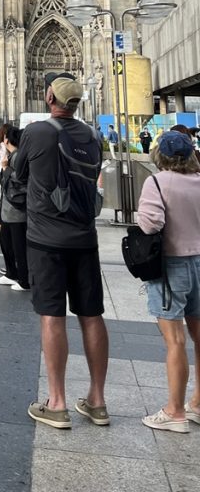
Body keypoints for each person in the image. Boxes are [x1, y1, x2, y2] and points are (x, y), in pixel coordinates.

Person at [10, 72, 108, 430]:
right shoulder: (94, 136)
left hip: (46, 240)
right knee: (92, 316)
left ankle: (58, 402)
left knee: (52, 316)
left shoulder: (37, 132)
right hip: (85, 239)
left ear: (50, 97)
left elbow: (16, 177)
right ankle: (97, 401)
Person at [135, 129, 200, 433]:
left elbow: (151, 223)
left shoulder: (157, 182)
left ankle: (175, 411)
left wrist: (140, 217)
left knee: (175, 340)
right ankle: (197, 403)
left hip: (173, 266)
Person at [0, 126, 29, 291]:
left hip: (16, 209)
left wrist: (6, 169)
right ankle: (12, 273)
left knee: (18, 245)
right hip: (11, 210)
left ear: (7, 140)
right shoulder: (14, 156)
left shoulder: (16, 158)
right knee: (6, 241)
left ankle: (23, 279)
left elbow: (21, 181)